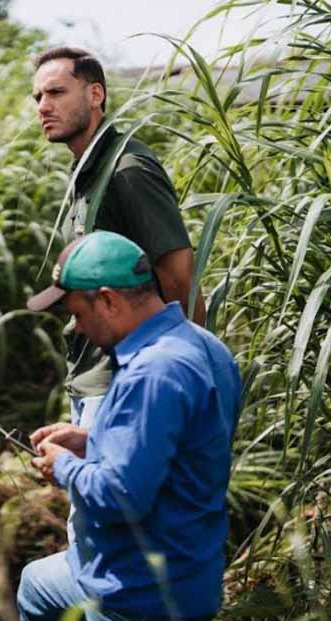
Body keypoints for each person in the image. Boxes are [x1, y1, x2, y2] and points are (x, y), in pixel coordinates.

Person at [17, 231, 241, 621]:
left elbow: (120, 497)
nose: (76, 328)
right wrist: (91, 439)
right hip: (191, 570)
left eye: (78, 314)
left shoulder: (152, 372)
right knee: (36, 585)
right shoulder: (206, 347)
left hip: (139, 595)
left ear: (108, 300)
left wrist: (63, 465)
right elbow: (177, 446)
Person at [31, 46, 207, 431]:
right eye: (38, 97)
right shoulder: (86, 170)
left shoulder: (127, 169)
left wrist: (191, 375)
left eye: (56, 93)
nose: (43, 106)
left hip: (130, 382)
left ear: (96, 95)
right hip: (92, 376)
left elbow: (180, 278)